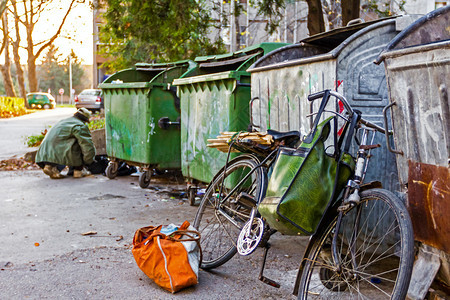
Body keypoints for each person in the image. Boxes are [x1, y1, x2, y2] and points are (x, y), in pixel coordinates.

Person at [35, 107, 96, 179]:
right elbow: (87, 146)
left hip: (43, 154)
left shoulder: (64, 121)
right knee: (80, 145)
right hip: (59, 151)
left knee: (65, 145)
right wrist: (88, 162)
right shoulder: (80, 125)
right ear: (85, 120)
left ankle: (51, 167)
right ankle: (78, 170)